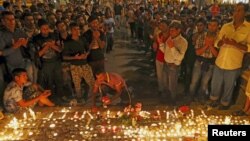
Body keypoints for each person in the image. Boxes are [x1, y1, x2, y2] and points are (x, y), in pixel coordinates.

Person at [209, 3, 250, 110]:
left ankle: (225, 103)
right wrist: (221, 42)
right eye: (235, 10)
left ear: (245, 13)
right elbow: (216, 42)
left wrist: (235, 44)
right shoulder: (226, 26)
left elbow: (249, 47)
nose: (236, 13)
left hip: (233, 63)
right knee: (215, 83)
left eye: (239, 10)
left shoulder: (248, 28)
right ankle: (214, 99)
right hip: (221, 60)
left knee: (229, 86)